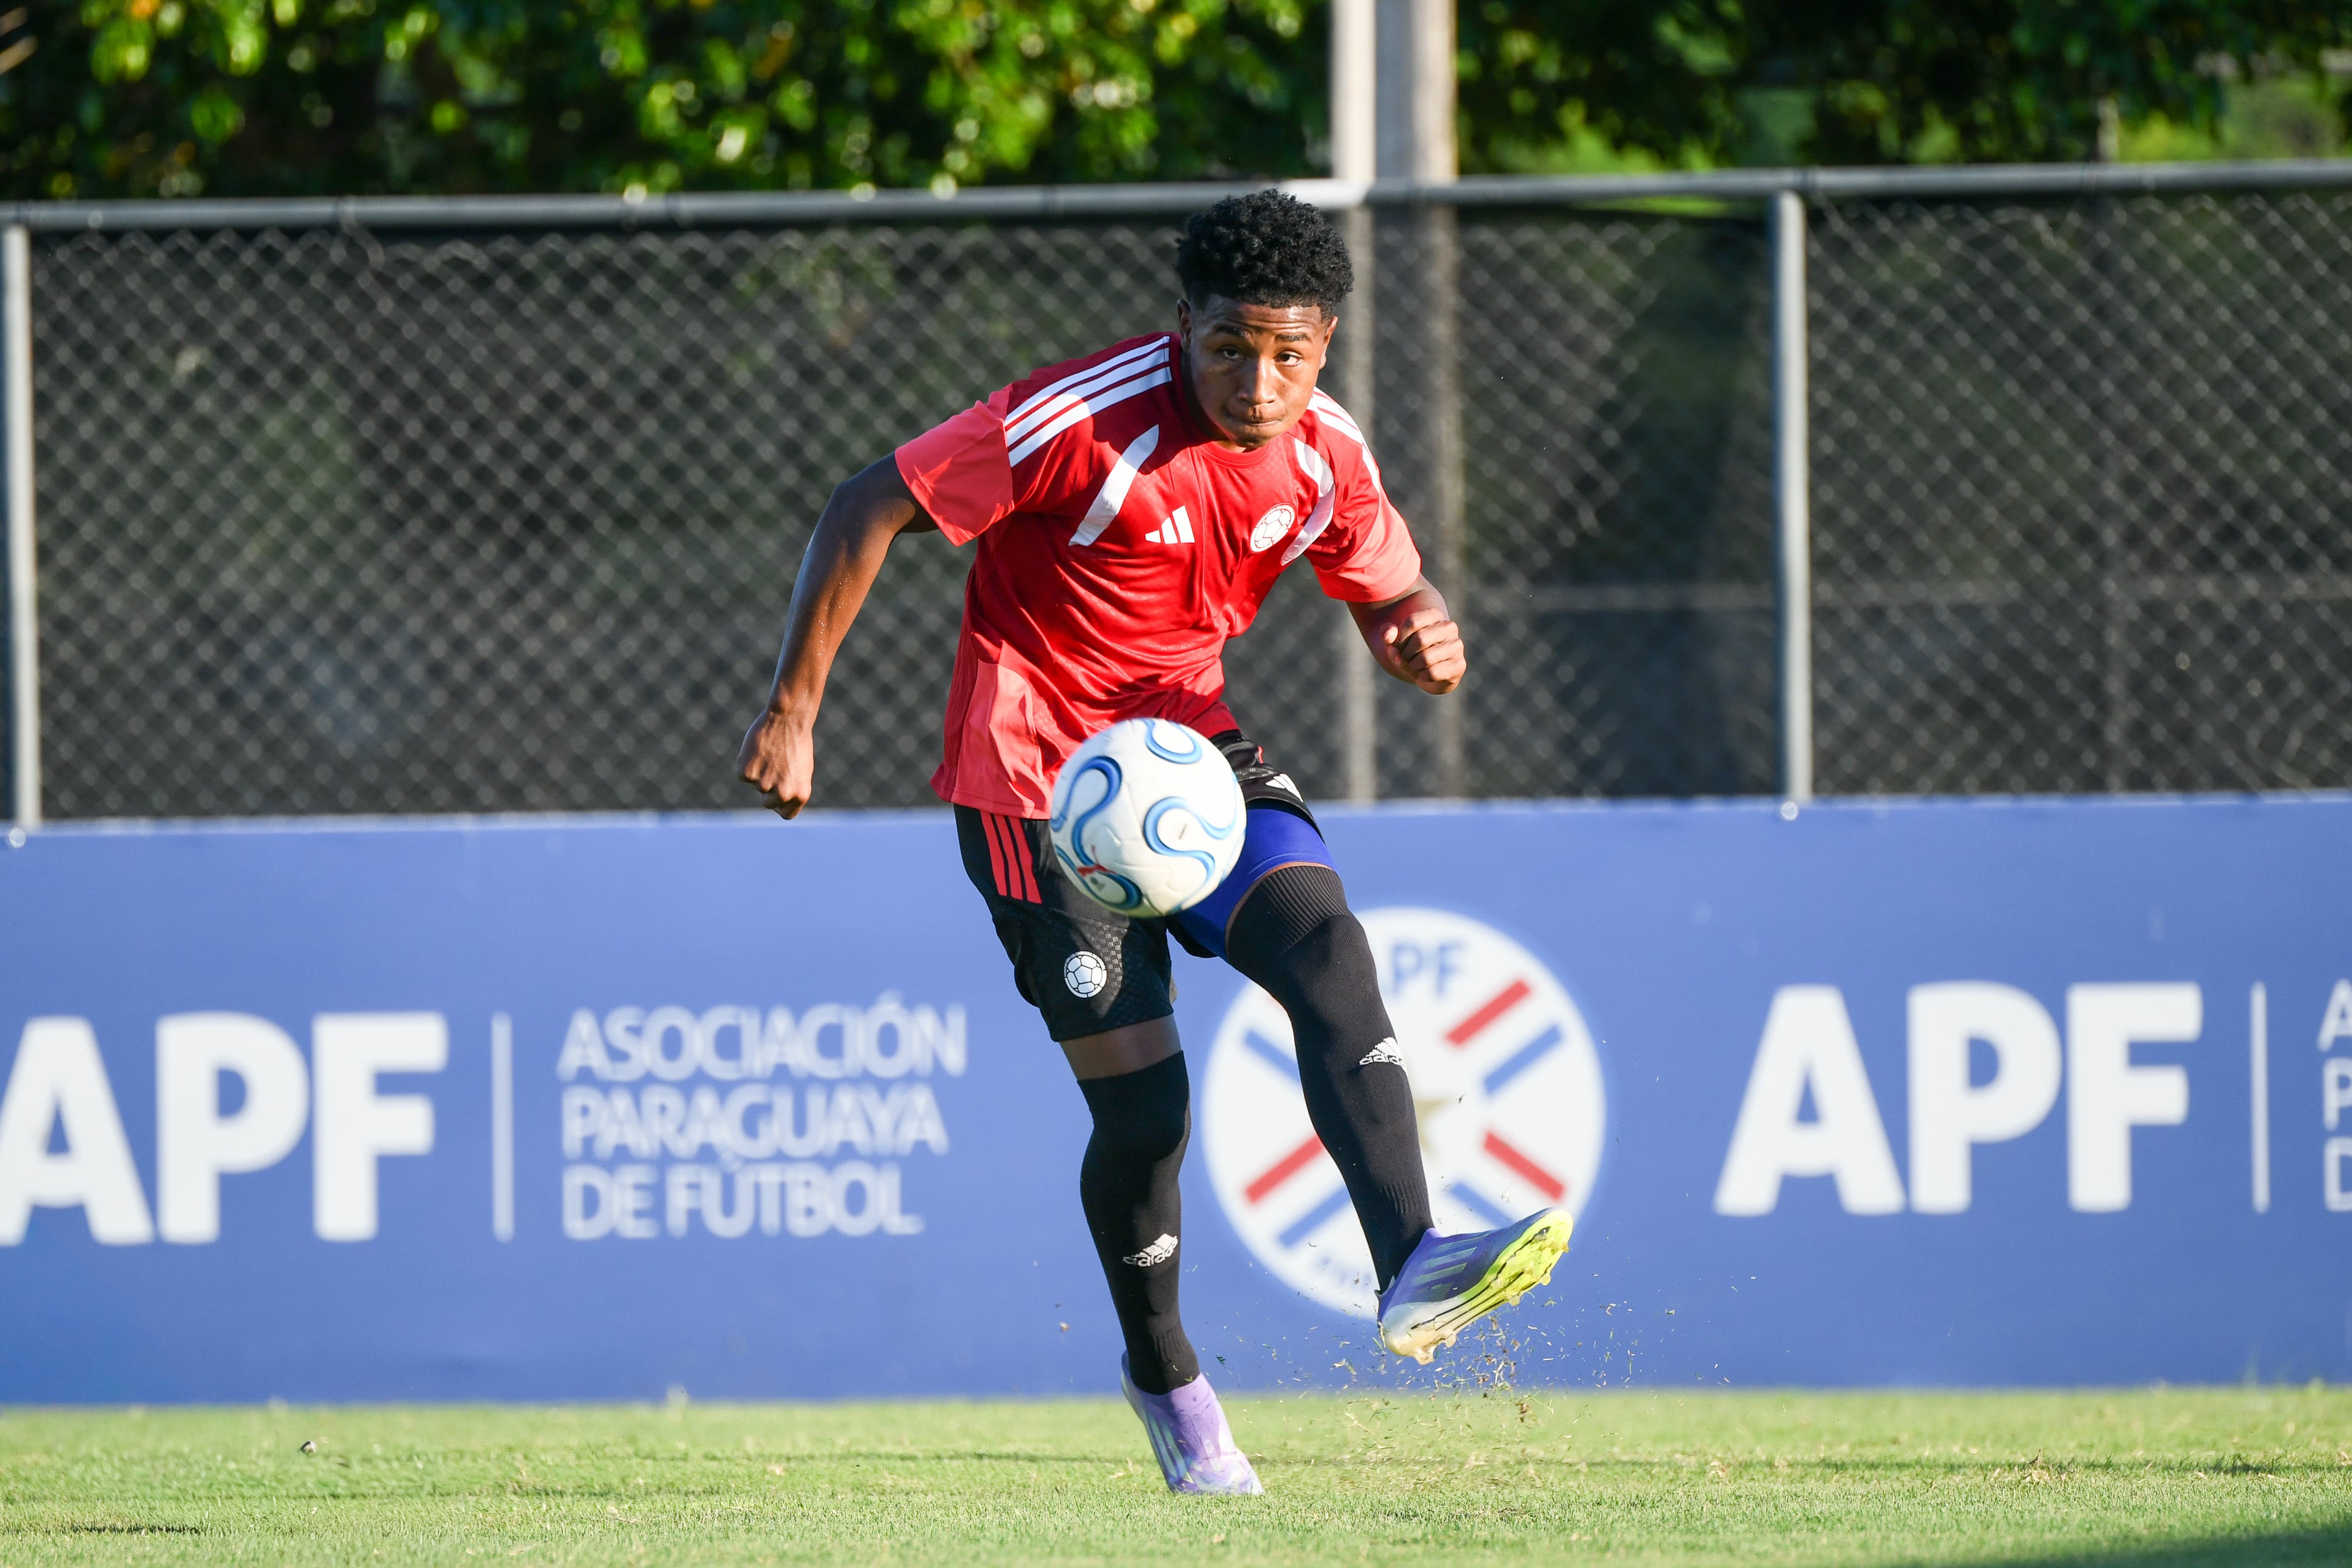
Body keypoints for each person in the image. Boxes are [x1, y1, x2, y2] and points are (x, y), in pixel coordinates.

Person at [736, 189, 1571, 1495]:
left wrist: (1413, 626)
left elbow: (1388, 580)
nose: (1257, 379)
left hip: (1188, 761)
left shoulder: (1326, 451)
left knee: (1327, 945)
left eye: (1288, 353)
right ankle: (1168, 1375)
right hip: (1032, 795)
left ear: (1327, 341)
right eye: (1230, 345)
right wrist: (795, 707)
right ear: (1183, 325)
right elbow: (868, 501)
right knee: (1148, 1116)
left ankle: (1410, 1261)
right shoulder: (1074, 420)